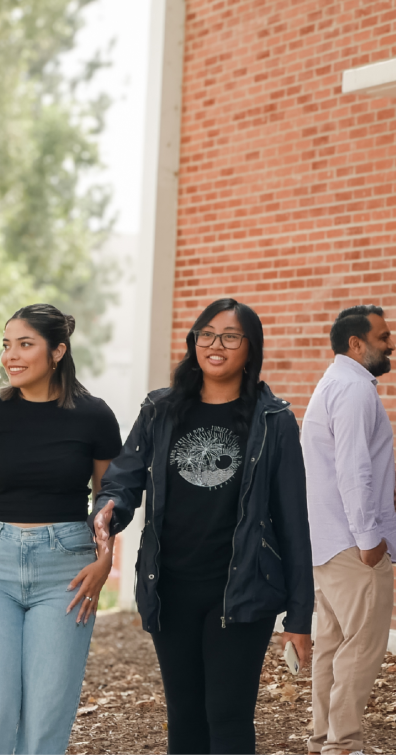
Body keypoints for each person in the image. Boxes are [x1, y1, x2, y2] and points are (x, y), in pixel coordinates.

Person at [90, 298, 314, 755]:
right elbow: (124, 477)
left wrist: (299, 615)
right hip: (170, 586)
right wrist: (110, 509)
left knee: (228, 716)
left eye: (230, 337)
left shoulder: (273, 421)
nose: (215, 345)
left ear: (250, 348)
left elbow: (293, 520)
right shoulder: (161, 410)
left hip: (242, 588)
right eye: (206, 334)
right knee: (185, 716)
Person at [0, 303, 122, 755]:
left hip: (66, 571)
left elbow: (109, 501)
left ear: (58, 351)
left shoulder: (95, 416)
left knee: (48, 712)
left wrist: (105, 561)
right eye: (7, 345)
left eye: (25, 344)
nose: (11, 356)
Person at [301, 304, 396, 755]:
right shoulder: (353, 389)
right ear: (356, 343)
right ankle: (342, 745)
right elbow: (352, 468)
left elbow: (341, 462)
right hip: (352, 544)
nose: (392, 344)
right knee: (360, 649)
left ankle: (323, 740)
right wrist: (369, 540)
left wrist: (390, 481)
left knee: (332, 647)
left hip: (327, 542)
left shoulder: (332, 383)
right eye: (383, 337)